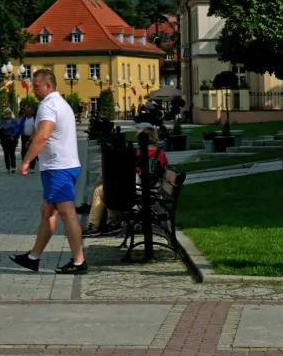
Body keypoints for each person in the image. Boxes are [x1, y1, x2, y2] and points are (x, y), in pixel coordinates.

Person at [11, 69, 86, 275]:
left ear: (48, 86)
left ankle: (79, 261)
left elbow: (43, 135)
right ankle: (33, 257)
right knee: (47, 211)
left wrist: (26, 161)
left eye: (36, 86)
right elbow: (42, 132)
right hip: (62, 165)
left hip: (58, 167)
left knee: (66, 212)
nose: (33, 90)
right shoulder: (59, 103)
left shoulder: (49, 105)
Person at [82, 122, 168, 237]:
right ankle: (111, 222)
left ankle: (100, 224)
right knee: (106, 189)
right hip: (152, 189)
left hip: (138, 190)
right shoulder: (160, 153)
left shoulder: (138, 152)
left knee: (102, 190)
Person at [18, 106, 37, 172]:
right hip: (24, 136)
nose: (27, 112)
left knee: (32, 151)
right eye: (26, 110)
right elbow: (19, 127)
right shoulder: (23, 118)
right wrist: (15, 134)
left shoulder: (34, 118)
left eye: (29, 110)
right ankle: (25, 165)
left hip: (33, 137)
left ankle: (32, 167)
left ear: (32, 111)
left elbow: (37, 128)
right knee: (24, 152)